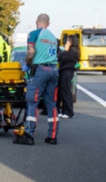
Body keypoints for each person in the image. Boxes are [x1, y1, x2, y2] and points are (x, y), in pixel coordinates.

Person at [14, 14, 59, 145]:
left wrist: (27, 64)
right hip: (53, 71)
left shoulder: (34, 34)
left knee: (32, 102)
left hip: (40, 70)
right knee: (51, 103)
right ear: (48, 24)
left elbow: (31, 52)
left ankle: (28, 135)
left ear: (36, 22)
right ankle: (53, 136)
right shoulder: (53, 38)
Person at [56, 35, 79, 118]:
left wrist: (65, 51)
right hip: (63, 71)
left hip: (68, 71)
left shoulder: (74, 51)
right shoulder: (68, 50)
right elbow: (59, 57)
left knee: (66, 91)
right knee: (62, 91)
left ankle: (69, 112)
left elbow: (64, 59)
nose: (66, 42)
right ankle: (64, 111)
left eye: (68, 40)